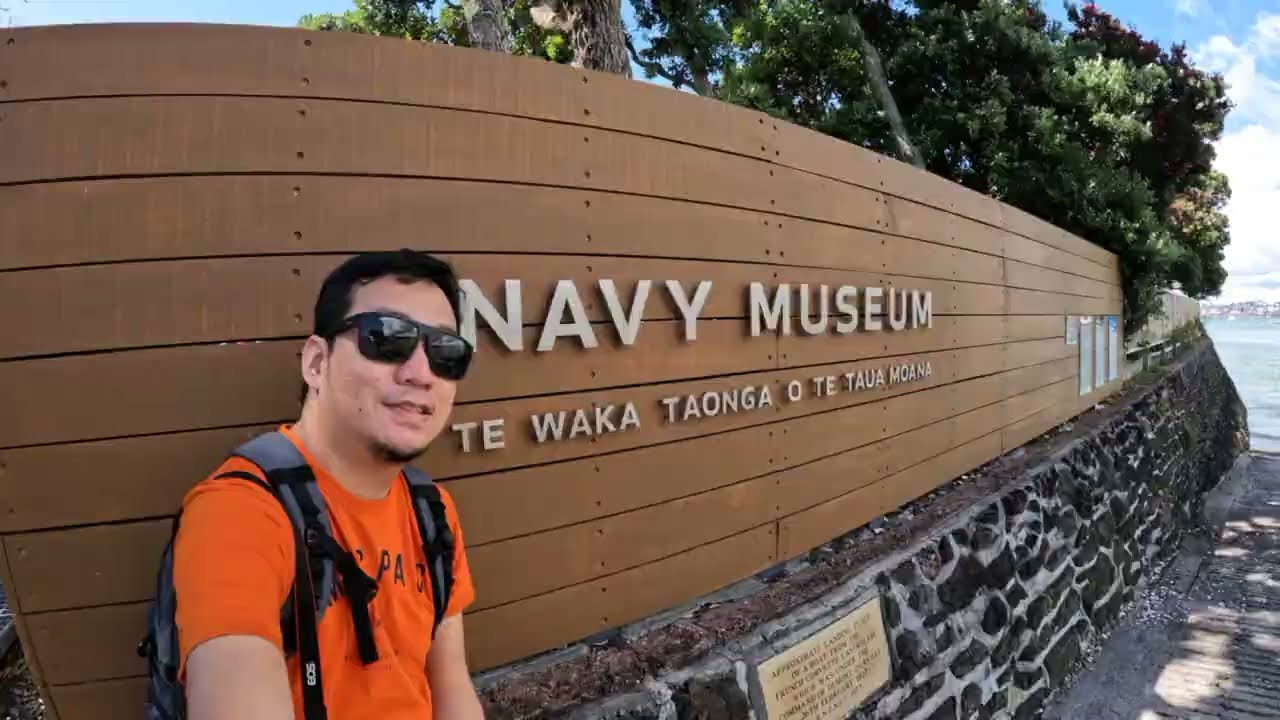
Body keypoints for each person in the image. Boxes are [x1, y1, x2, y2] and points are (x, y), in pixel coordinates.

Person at [172, 249, 484, 720]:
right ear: (316, 363)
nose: (421, 374)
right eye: (387, 338)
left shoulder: (432, 510)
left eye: (445, 353)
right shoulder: (239, 513)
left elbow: (451, 684)